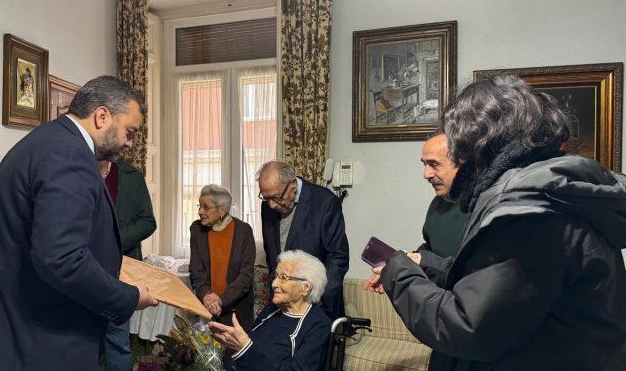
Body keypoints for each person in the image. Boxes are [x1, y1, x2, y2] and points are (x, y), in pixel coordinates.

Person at [365, 75, 626, 370]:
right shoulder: (550, 193)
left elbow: (466, 328)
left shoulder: (529, 211)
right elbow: (496, 286)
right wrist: (424, 263)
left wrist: (398, 271)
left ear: (482, 142)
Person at [0, 76, 158, 370]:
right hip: (37, 333)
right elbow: (61, 257)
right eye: (129, 131)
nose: (129, 142)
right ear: (101, 116)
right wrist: (128, 296)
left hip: (20, 327)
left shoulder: (48, 140)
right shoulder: (68, 154)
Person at [209, 250, 331, 371]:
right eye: (276, 276)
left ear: (306, 288)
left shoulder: (318, 325)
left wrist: (245, 348)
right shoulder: (273, 308)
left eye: (283, 277)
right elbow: (251, 343)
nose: (274, 284)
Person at [257, 160, 349, 320]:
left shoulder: (325, 202)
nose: (271, 205)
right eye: (266, 198)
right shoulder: (268, 205)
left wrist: (317, 296)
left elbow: (338, 258)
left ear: (292, 184)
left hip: (317, 304)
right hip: (282, 303)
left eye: (276, 197)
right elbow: (271, 254)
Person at [102, 159, 157, 371]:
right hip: (83, 267)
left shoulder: (131, 176)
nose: (129, 142)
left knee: (117, 341)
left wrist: (113, 241)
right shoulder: (79, 167)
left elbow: (148, 221)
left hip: (121, 272)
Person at [189, 184, 255, 331]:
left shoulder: (243, 231)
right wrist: (207, 295)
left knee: (236, 354)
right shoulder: (196, 229)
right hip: (206, 309)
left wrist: (220, 301)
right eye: (200, 206)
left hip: (237, 312)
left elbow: (246, 275)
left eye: (206, 207)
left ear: (222, 210)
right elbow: (196, 270)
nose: (200, 211)